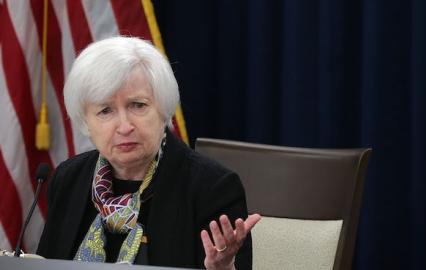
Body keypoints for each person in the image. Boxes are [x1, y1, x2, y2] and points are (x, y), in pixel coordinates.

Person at [36, 36, 261, 270]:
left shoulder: (212, 188)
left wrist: (223, 269)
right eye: (105, 111)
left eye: (138, 105)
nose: (124, 126)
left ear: (163, 110)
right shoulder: (69, 178)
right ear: (85, 122)